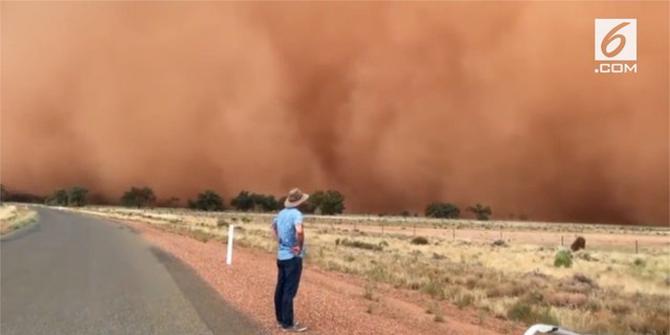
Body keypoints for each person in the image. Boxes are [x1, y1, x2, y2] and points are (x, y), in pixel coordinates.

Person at [272, 188, 309, 332]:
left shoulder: (281, 213)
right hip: (292, 258)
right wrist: (298, 246)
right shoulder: (297, 214)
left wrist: (279, 241)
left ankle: (280, 319)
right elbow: (299, 231)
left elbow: (273, 226)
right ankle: (288, 323)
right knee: (289, 290)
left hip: (281, 257)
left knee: (280, 287)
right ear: (300, 201)